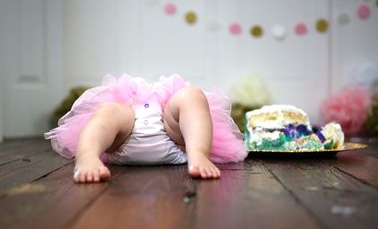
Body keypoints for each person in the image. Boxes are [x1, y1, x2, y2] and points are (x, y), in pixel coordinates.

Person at [45, 74, 248, 183]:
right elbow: (110, 117)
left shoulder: (170, 112)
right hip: (123, 134)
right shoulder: (126, 112)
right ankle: (87, 156)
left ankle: (199, 153)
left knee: (192, 95)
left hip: (175, 135)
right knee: (107, 112)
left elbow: (190, 108)